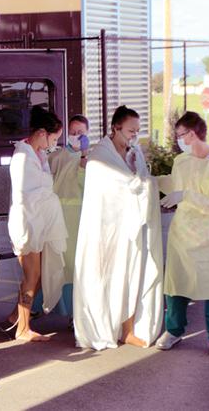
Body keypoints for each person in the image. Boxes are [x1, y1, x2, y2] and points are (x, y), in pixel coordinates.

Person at [73, 105, 164, 350]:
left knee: (133, 275)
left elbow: (140, 182)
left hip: (132, 227)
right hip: (106, 229)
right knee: (110, 276)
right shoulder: (99, 156)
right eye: (130, 131)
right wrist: (140, 183)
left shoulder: (135, 152)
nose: (134, 135)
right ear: (116, 128)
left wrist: (143, 177)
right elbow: (115, 189)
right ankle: (106, 326)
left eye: (137, 131)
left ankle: (128, 329)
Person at [155, 111, 209, 357]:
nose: (178, 140)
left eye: (180, 135)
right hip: (184, 233)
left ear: (193, 134)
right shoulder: (182, 162)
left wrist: (186, 195)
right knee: (177, 282)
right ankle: (174, 330)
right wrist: (152, 181)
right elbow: (176, 185)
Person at [6, 105, 68, 341]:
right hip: (27, 223)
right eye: (54, 138)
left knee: (38, 276)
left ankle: (16, 317)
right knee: (31, 277)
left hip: (37, 222)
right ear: (42, 133)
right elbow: (28, 194)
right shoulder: (23, 156)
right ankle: (23, 329)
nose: (54, 143)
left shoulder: (37, 154)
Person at [31, 114, 90, 327]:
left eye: (80, 133)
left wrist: (84, 155)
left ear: (87, 134)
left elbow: (87, 184)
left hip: (80, 215)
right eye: (72, 133)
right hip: (57, 215)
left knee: (76, 264)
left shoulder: (91, 159)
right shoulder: (55, 157)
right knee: (53, 261)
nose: (76, 136)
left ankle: (77, 313)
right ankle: (38, 305)